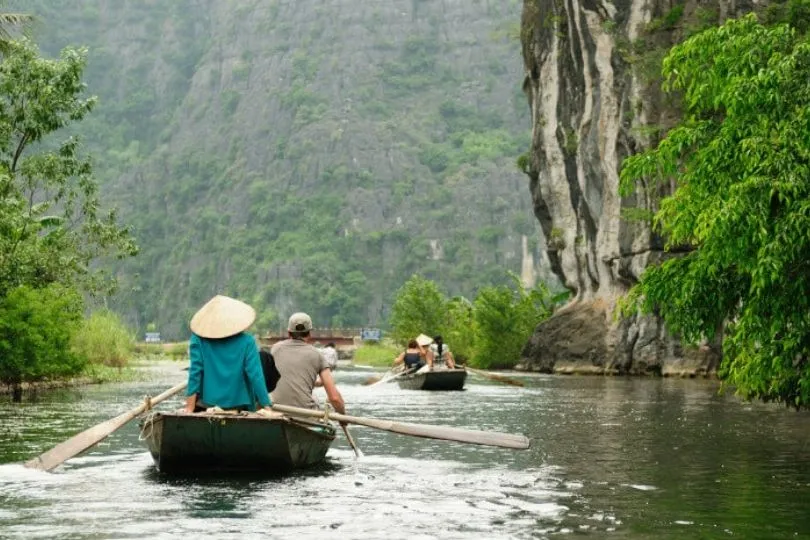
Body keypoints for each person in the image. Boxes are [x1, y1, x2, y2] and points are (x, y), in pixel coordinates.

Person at [184, 295, 274, 413]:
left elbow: (195, 373)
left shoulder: (198, 339)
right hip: (240, 404)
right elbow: (255, 375)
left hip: (208, 404)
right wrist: (266, 405)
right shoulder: (247, 341)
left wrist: (189, 408)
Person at [270, 312, 346, 415]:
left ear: (289, 333)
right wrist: (342, 416)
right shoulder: (317, 355)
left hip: (275, 411)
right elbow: (334, 398)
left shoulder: (275, 349)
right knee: (316, 400)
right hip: (304, 415)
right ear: (309, 333)